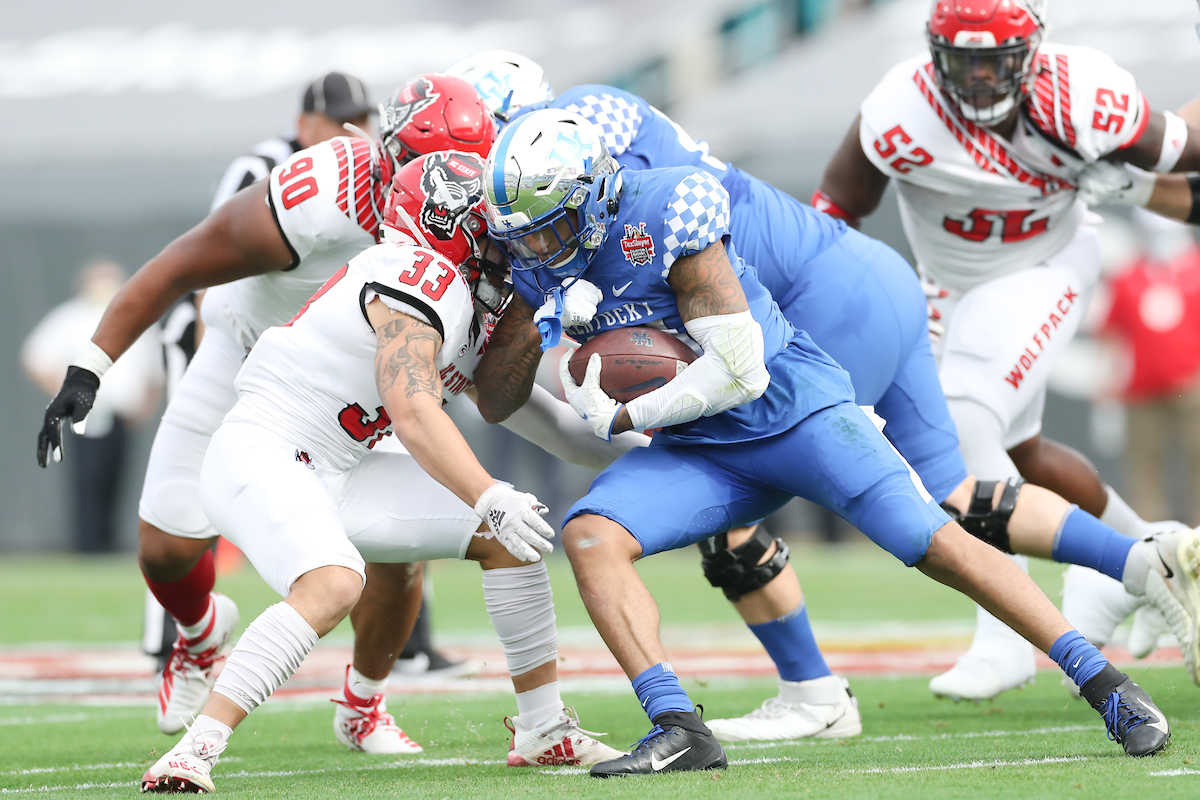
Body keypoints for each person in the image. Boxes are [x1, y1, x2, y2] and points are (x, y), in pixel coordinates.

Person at [458, 52, 1198, 737]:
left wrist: (627, 411)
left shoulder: (660, 196)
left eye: (549, 228)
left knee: (926, 534)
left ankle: (1091, 684)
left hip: (794, 377)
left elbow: (738, 370)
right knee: (596, 534)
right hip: (731, 410)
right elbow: (503, 390)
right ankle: (680, 727)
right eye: (524, 233)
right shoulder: (535, 233)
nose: (536, 245)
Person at [138, 151, 635, 793]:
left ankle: (544, 729)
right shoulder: (417, 275)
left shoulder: (462, 310)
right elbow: (414, 413)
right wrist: (488, 493)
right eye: (493, 236)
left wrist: (664, 449)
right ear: (453, 229)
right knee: (334, 583)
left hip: (338, 466)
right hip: (263, 450)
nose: (512, 253)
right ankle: (196, 749)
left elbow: (560, 430)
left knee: (513, 536)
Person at [35, 75, 498, 746]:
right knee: (165, 549)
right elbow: (180, 263)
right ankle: (200, 635)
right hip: (252, 357)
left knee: (399, 558)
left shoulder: (475, 216)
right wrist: (90, 367)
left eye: (465, 170)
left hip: (368, 384)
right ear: (390, 150)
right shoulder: (329, 189)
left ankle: (363, 705)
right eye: (434, 167)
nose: (450, 189)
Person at [811, 0, 1200, 701]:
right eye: (964, 61)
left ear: (1031, 52)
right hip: (944, 288)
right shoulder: (900, 107)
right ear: (935, 55)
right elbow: (836, 210)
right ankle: (1152, 551)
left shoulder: (1084, 94)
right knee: (1020, 457)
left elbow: (1186, 153)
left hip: (1042, 264)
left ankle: (1008, 637)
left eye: (996, 61)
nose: (981, 78)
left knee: (963, 422)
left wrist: (1139, 182)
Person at [142, 70, 376, 671]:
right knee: (178, 509)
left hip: (321, 361)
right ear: (305, 125)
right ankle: (180, 635)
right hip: (236, 342)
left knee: (381, 499)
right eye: (337, 120)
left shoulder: (384, 175)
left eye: (361, 119)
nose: (351, 131)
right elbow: (210, 260)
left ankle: (385, 672)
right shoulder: (269, 169)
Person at [23, 259, 162, 553]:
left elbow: (154, 369)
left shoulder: (138, 316)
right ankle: (88, 546)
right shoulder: (70, 318)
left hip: (123, 415)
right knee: (88, 478)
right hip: (87, 414)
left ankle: (107, 544)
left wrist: (145, 405)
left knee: (116, 477)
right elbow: (36, 358)